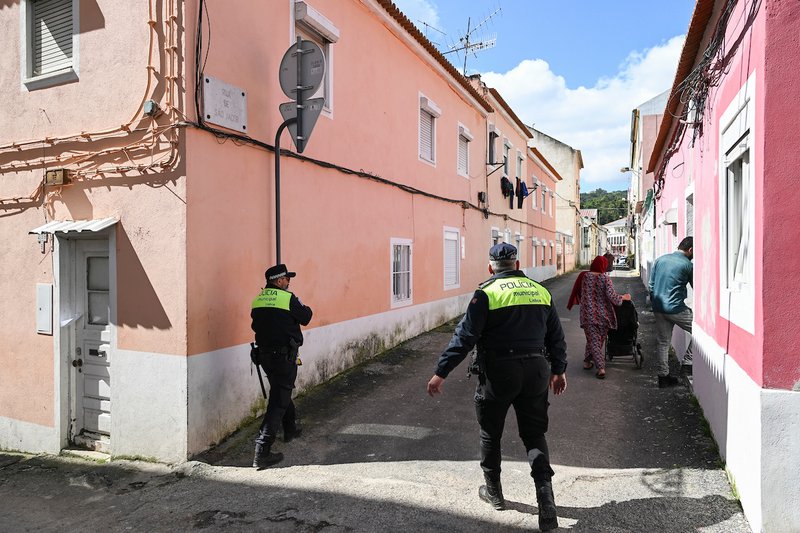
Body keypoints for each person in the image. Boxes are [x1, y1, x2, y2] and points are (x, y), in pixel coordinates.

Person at [426, 243, 567, 532]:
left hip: (500, 372)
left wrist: (442, 372)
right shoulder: (540, 291)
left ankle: (495, 494)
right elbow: (556, 337)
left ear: (491, 267)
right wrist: (559, 370)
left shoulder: (486, 293)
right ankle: (547, 502)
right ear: (517, 265)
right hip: (537, 371)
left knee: (491, 433)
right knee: (534, 435)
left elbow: (465, 336)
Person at [250, 263, 313, 468]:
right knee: (278, 400)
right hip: (284, 357)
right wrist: (304, 306)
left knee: (281, 390)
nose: (289, 282)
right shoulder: (288, 298)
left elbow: (255, 325)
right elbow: (306, 317)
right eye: (287, 279)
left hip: (264, 356)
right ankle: (262, 450)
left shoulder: (258, 299)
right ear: (278, 281)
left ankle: (290, 429)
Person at [567, 255, 631, 379]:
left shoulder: (584, 277)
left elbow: (579, 291)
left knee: (593, 339)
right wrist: (624, 297)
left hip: (588, 315)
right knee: (596, 340)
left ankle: (588, 363)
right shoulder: (605, 279)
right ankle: (601, 368)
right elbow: (613, 297)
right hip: (604, 316)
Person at [648, 236, 694, 388]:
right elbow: (697, 288)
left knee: (663, 342)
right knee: (701, 333)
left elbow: (651, 285)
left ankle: (663, 377)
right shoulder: (687, 265)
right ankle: (687, 364)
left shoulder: (660, 260)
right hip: (676, 309)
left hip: (658, 307)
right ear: (690, 250)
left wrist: (655, 303)